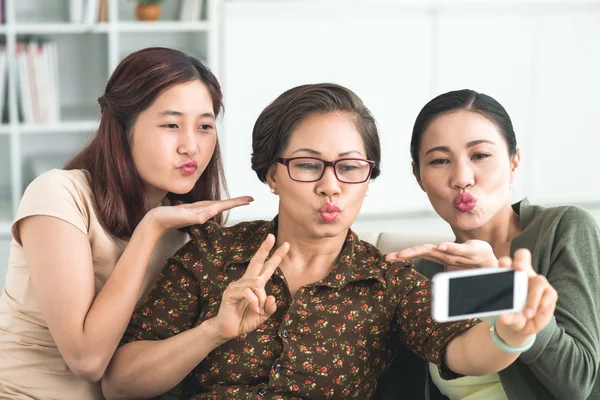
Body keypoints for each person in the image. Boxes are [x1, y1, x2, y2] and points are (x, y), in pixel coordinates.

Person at [101, 83, 557, 400]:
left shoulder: (389, 280)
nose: (331, 186)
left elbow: (463, 351)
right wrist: (212, 333)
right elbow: (119, 384)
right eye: (307, 164)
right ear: (271, 175)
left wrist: (510, 332)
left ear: (368, 177)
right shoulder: (212, 254)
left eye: (350, 166)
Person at [0, 47, 252, 399]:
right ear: (122, 128)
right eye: (171, 125)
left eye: (205, 126)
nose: (191, 146)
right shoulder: (59, 194)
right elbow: (86, 360)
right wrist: (149, 230)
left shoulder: (188, 230)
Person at [379, 89, 600, 399]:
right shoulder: (424, 271)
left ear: (514, 161)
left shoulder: (561, 229)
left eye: (480, 155)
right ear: (418, 176)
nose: (462, 178)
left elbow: (579, 383)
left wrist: (496, 283)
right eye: (440, 160)